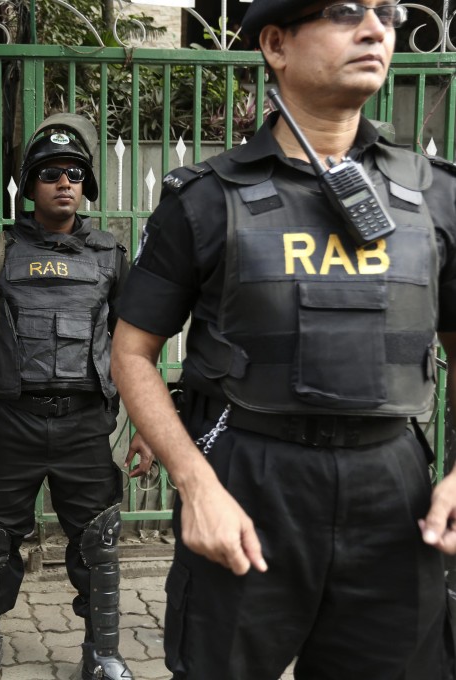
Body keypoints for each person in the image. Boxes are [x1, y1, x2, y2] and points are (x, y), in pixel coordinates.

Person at [111, 0, 456, 677]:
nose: (375, 29)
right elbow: (132, 351)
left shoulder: (435, 198)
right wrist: (197, 486)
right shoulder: (206, 199)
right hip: (249, 479)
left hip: (393, 493)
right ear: (276, 44)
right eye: (343, 11)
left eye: (386, 12)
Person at [0, 112, 149, 680]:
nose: (65, 183)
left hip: (86, 424)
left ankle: (103, 653)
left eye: (75, 173)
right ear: (29, 185)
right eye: (51, 174)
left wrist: (143, 428)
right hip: (10, 423)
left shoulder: (111, 255)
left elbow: (134, 348)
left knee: (100, 541)